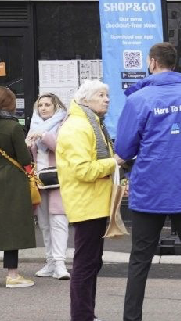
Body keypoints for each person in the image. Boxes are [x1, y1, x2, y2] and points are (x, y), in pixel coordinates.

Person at [116, 43, 181, 321]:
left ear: (152, 62)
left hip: (150, 190)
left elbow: (124, 148)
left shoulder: (140, 99)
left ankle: (132, 317)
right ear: (175, 64)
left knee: (140, 258)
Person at [57, 80, 123, 319]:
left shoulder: (90, 123)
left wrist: (116, 182)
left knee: (92, 263)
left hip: (93, 202)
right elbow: (83, 170)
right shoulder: (78, 127)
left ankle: (87, 314)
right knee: (86, 265)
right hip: (86, 204)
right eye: (101, 95)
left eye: (107, 95)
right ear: (85, 100)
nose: (106, 99)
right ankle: (82, 316)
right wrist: (114, 161)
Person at [26, 93, 70, 280]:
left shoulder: (64, 124)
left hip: (58, 178)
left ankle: (60, 263)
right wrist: (28, 144)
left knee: (59, 220)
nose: (43, 108)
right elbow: (32, 155)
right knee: (44, 223)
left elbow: (61, 147)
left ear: (56, 106)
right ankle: (50, 261)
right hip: (39, 179)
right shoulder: (34, 125)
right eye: (40, 105)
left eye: (47, 105)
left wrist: (43, 135)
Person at [0, 86, 36, 288]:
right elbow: (23, 158)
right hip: (11, 182)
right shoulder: (13, 127)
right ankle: (12, 275)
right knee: (11, 227)